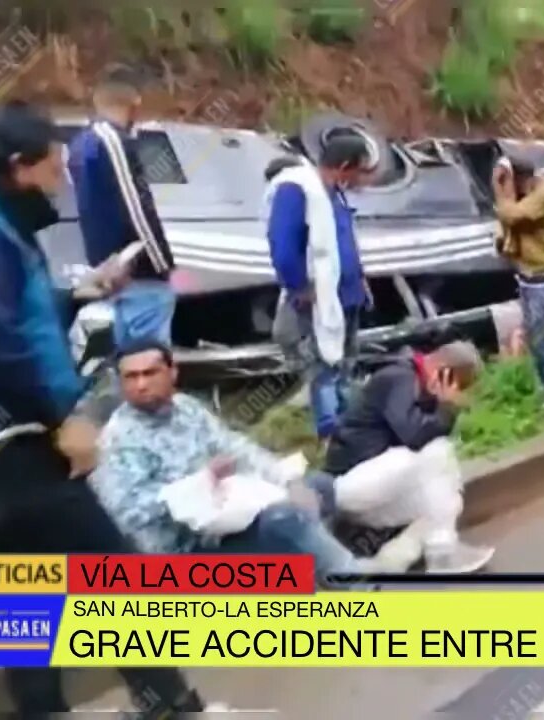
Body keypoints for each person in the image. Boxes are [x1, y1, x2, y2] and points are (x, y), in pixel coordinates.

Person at [0, 101, 207, 717]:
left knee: (21, 579)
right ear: (16, 167)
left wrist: (81, 291)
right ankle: (171, 704)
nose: (61, 184)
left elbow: (13, 315)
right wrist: (62, 419)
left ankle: (41, 709)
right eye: (54, 169)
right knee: (112, 568)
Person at [89, 341, 389, 585]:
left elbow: (238, 448)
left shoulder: (187, 409)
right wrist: (199, 484)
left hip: (225, 521)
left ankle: (304, 578)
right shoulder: (119, 437)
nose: (141, 384)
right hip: (183, 554)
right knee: (284, 517)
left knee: (318, 487)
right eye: (131, 377)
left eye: (150, 373)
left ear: (172, 372)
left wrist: (289, 481)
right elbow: (125, 512)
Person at [321, 342, 495, 573]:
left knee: (448, 502)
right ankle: (442, 554)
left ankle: (391, 560)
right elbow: (413, 435)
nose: (458, 395)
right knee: (436, 450)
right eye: (459, 386)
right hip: (349, 485)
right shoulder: (399, 378)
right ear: (444, 372)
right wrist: (445, 408)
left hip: (380, 484)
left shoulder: (421, 387)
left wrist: (438, 406)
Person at [266, 136, 375, 440]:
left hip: (348, 295)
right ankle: (332, 433)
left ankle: (351, 422)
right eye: (359, 171)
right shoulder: (297, 190)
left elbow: (344, 240)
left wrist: (360, 277)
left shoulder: (335, 194)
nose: (360, 179)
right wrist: (299, 287)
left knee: (346, 362)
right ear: (343, 167)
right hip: (319, 299)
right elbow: (283, 247)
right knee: (323, 366)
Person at [68, 64, 178, 348]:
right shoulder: (113, 142)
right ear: (135, 102)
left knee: (123, 362)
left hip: (109, 271)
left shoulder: (82, 143)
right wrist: (161, 265)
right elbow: (136, 208)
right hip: (136, 273)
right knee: (147, 358)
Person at [493, 156, 544, 422]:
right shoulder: (526, 195)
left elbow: (513, 215)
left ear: (518, 179)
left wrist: (500, 190)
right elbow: (505, 228)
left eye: (508, 181)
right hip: (530, 279)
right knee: (540, 340)